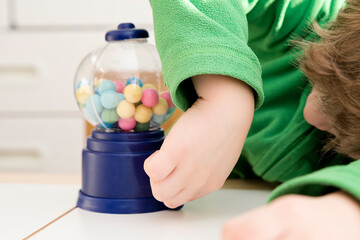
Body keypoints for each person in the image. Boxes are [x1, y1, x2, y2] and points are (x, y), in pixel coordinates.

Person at [144, 0, 360, 238]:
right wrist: (224, 96)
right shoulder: (317, 19)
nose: (311, 113)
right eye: (321, 86)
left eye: (341, 130)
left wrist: (344, 210)